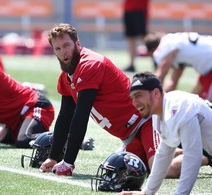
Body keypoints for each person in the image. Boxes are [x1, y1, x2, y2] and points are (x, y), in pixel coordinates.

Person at [39, 23, 162, 176]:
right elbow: (65, 117)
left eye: (67, 45)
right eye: (58, 49)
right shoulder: (66, 77)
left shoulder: (90, 64)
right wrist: (54, 157)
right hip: (129, 136)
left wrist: (68, 162)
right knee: (124, 172)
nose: (63, 52)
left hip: (146, 121)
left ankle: (200, 157)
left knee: (161, 169)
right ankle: (179, 150)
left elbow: (80, 116)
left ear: (77, 44)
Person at [118, 71, 212, 195]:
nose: (134, 102)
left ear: (156, 93)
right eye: (132, 98)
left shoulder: (179, 107)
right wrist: (147, 191)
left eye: (138, 96)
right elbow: (164, 154)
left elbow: (192, 154)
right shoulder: (160, 114)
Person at [144, 32, 212, 101]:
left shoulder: (165, 47)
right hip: (207, 70)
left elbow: (160, 76)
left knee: (206, 105)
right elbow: (172, 83)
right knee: (196, 100)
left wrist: (151, 101)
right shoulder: (176, 45)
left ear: (152, 50)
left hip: (210, 67)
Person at [122, 0, 150, 72]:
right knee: (130, 37)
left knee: (144, 37)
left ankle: (156, 60)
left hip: (140, 9)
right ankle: (132, 64)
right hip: (128, 9)